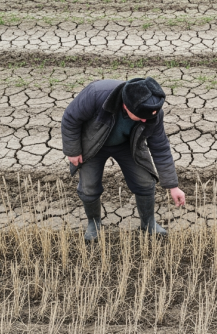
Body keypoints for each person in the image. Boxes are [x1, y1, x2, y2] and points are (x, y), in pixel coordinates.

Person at [61, 77, 186, 241]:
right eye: (140, 116)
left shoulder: (152, 113)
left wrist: (173, 186)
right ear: (126, 105)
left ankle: (148, 223)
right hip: (93, 144)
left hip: (128, 145)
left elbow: (160, 147)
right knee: (88, 187)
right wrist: (72, 150)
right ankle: (94, 223)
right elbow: (70, 118)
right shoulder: (97, 93)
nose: (145, 120)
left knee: (145, 182)